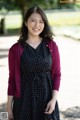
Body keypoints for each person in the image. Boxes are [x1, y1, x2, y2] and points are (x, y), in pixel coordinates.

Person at [7, 5, 61, 120]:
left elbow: (57, 74)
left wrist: (53, 99)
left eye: (41, 21)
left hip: (47, 101)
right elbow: (12, 79)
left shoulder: (51, 46)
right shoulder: (15, 49)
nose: (37, 25)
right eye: (33, 21)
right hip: (23, 102)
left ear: (44, 24)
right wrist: (8, 108)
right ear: (26, 22)